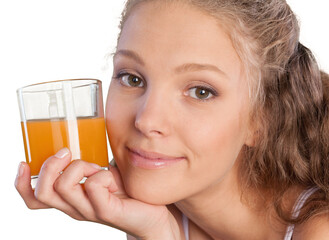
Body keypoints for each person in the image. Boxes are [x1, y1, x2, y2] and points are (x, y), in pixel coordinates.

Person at [15, 0, 329, 239]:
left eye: (201, 92)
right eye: (132, 78)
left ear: (262, 119)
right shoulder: (159, 208)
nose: (147, 120)